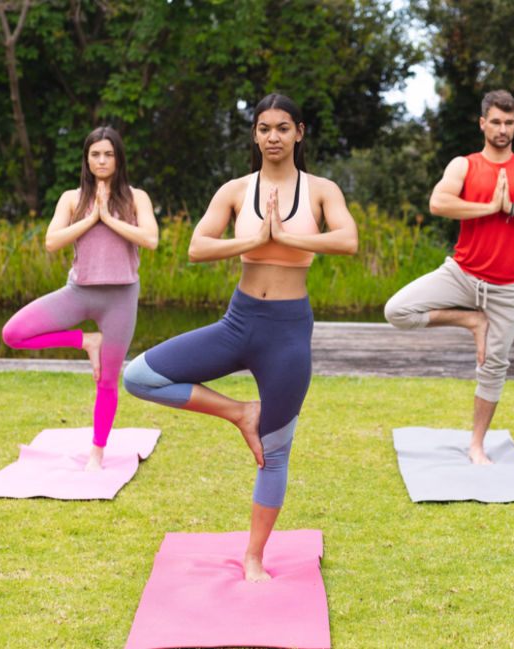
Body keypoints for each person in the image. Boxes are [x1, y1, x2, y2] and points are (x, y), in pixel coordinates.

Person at [122, 93, 357, 582]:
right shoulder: (234, 190)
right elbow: (197, 247)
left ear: (299, 133)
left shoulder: (320, 190)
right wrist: (252, 240)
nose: (274, 137)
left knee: (275, 451)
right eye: (265, 128)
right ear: (255, 134)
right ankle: (239, 412)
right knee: (139, 376)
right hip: (239, 322)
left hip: (289, 331)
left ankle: (254, 556)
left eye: (283, 128)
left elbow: (347, 240)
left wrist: (287, 238)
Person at [384, 89, 514, 465]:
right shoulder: (464, 165)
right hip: (462, 273)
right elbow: (439, 202)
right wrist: (490, 207)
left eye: (509, 122)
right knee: (396, 310)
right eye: (495, 121)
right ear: (482, 122)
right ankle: (471, 320)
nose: (502, 129)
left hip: (506, 287)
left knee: (494, 367)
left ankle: (476, 445)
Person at [2, 126, 158, 472]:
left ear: (118, 159)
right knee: (13, 334)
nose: (102, 160)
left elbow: (150, 239)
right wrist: (91, 218)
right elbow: (51, 241)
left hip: (121, 298)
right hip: (78, 292)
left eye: (108, 154)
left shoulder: (136, 198)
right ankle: (87, 340)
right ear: (86, 160)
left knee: (107, 381)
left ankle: (97, 453)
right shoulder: (71, 198)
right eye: (95, 154)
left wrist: (109, 219)